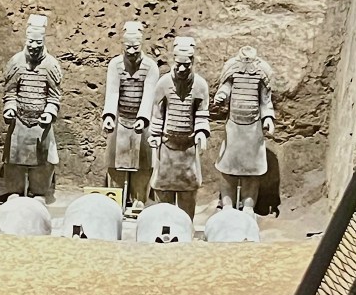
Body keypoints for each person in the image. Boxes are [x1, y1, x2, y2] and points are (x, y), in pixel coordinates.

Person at [0, 14, 62, 203]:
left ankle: (39, 192)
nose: (34, 46)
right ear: (26, 40)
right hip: (19, 120)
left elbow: (54, 96)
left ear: (43, 41)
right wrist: (10, 108)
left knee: (42, 162)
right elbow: (10, 92)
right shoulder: (16, 62)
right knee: (14, 160)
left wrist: (49, 112)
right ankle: (15, 191)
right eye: (31, 42)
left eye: (38, 43)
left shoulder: (51, 65)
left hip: (41, 123)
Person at [149, 36, 210, 221]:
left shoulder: (200, 85)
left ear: (193, 61)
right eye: (178, 65)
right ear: (172, 61)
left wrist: (201, 132)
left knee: (188, 191)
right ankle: (163, 225)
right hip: (167, 146)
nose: (182, 69)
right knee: (163, 188)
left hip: (188, 148)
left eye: (186, 65)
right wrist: (155, 135)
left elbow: (201, 112)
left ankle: (186, 226)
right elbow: (158, 112)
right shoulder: (163, 83)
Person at [102, 20, 159, 211]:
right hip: (121, 120)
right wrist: (109, 116)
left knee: (143, 162)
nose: (132, 51)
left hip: (143, 122)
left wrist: (142, 118)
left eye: (135, 47)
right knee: (115, 160)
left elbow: (149, 94)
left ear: (141, 45)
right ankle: (116, 197)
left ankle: (139, 198)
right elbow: (112, 92)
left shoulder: (150, 67)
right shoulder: (115, 65)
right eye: (128, 47)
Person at [214, 46, 276, 213]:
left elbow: (265, 100)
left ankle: (248, 206)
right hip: (233, 128)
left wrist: (268, 118)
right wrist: (222, 94)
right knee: (227, 169)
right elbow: (226, 86)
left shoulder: (262, 70)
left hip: (253, 129)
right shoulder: (232, 66)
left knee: (252, 171)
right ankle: (227, 204)